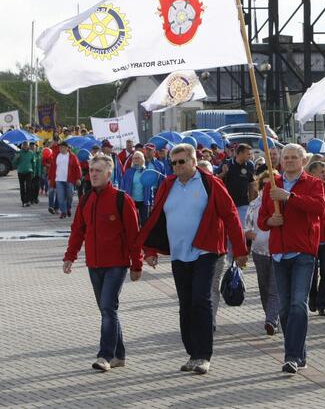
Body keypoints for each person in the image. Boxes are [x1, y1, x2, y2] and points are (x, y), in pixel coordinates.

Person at [137, 143, 248, 375]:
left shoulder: (210, 183)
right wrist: (149, 251)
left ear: (193, 161)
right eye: (173, 162)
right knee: (186, 303)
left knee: (201, 299)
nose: (177, 166)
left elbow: (230, 216)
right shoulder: (167, 185)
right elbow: (156, 219)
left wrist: (239, 250)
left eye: (181, 161)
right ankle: (192, 353)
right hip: (179, 254)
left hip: (206, 251)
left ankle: (203, 355)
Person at [62, 154, 143, 372]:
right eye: (91, 170)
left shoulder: (121, 199)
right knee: (107, 310)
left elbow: (133, 235)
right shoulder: (86, 199)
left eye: (98, 170)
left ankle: (105, 355)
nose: (93, 174)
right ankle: (120, 355)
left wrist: (137, 264)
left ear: (109, 173)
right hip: (94, 264)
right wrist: (70, 256)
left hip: (116, 264)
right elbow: (78, 230)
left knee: (108, 307)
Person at [257, 143, 325, 374]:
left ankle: (292, 356)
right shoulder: (271, 186)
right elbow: (261, 219)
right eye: (286, 157)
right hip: (278, 253)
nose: (289, 161)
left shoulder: (313, 183)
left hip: (303, 252)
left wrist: (290, 197)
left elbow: (319, 208)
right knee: (285, 309)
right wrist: (269, 222)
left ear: (303, 161)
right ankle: (299, 352)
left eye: (294, 157)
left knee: (298, 304)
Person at [246, 171, 280, 335]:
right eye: (264, 184)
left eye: (270, 184)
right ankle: (270, 315)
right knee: (264, 287)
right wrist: (248, 232)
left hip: (277, 251)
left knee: (275, 287)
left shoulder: (280, 203)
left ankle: (271, 320)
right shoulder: (254, 204)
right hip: (259, 251)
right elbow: (247, 224)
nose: (267, 187)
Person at [306, 160, 325, 316]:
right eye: (321, 172)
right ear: (312, 173)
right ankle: (313, 298)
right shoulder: (307, 190)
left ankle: (322, 304)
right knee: (311, 273)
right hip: (312, 238)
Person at [218, 143, 256, 225]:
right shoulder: (226, 163)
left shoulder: (250, 165)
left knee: (243, 229)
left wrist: (251, 201)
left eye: (250, 154)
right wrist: (224, 173)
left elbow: (252, 183)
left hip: (243, 203)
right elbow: (216, 180)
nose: (250, 156)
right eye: (248, 154)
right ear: (240, 153)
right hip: (228, 204)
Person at [49, 143, 81, 219]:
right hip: (58, 180)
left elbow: (77, 167)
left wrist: (78, 178)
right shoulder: (56, 156)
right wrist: (50, 178)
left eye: (63, 147)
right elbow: (52, 168)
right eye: (60, 147)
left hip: (69, 179)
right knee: (60, 197)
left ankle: (68, 208)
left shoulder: (72, 156)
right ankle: (63, 212)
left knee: (69, 196)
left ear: (67, 148)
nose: (61, 149)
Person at [121, 151, 150, 225]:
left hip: (144, 201)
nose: (136, 159)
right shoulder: (128, 172)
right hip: (131, 200)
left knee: (144, 222)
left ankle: (143, 236)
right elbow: (123, 186)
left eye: (138, 158)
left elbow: (150, 188)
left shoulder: (147, 172)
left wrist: (151, 201)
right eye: (134, 158)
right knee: (133, 222)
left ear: (143, 159)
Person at [13, 141, 36, 207]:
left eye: (26, 145)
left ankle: (27, 200)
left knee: (28, 186)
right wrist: (16, 158)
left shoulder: (31, 153)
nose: (25, 146)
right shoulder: (19, 153)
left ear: (28, 146)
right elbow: (14, 163)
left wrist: (33, 171)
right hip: (21, 172)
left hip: (29, 171)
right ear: (22, 146)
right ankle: (23, 201)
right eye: (24, 145)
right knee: (22, 187)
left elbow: (33, 163)